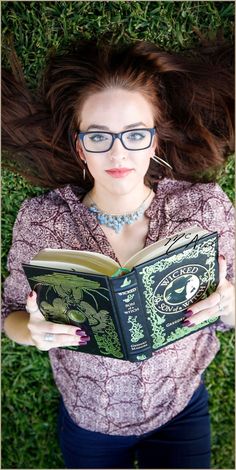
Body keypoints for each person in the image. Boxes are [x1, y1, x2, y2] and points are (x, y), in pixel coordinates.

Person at [2, 37, 235, 469]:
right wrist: (31, 331)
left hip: (180, 407)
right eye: (98, 137)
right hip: (88, 418)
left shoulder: (205, 208)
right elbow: (11, 314)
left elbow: (232, 310)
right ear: (80, 147)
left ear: (154, 142)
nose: (117, 152)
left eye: (134, 134)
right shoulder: (41, 220)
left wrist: (229, 303)